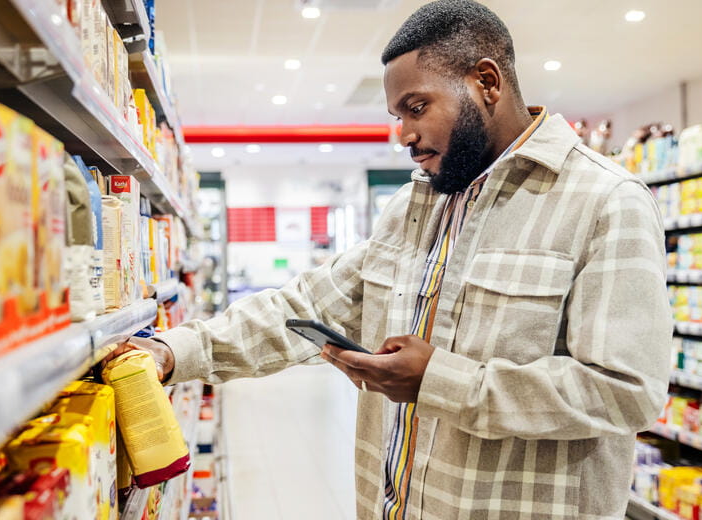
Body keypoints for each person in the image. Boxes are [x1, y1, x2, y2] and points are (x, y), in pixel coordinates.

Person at [111, 1, 672, 517]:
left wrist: (441, 381)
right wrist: (171, 351)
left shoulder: (605, 202)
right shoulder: (414, 204)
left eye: (416, 107)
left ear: (486, 82)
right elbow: (305, 305)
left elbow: (627, 391)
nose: (401, 133)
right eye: (395, 113)